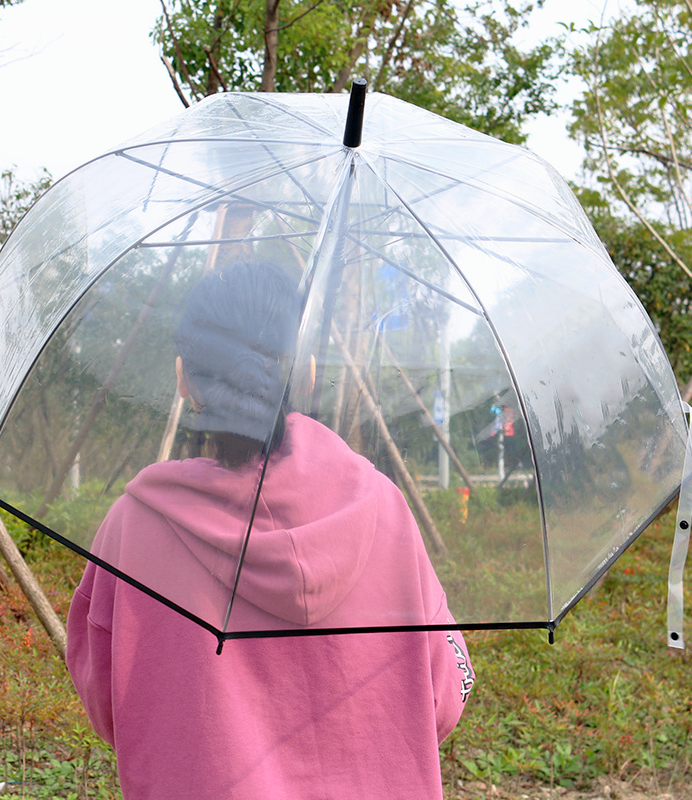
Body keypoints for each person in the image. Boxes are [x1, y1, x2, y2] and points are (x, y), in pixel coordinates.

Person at [67, 260, 474, 800]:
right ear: (305, 372)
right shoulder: (383, 507)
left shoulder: (134, 526)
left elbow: (106, 699)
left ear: (184, 378)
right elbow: (443, 693)